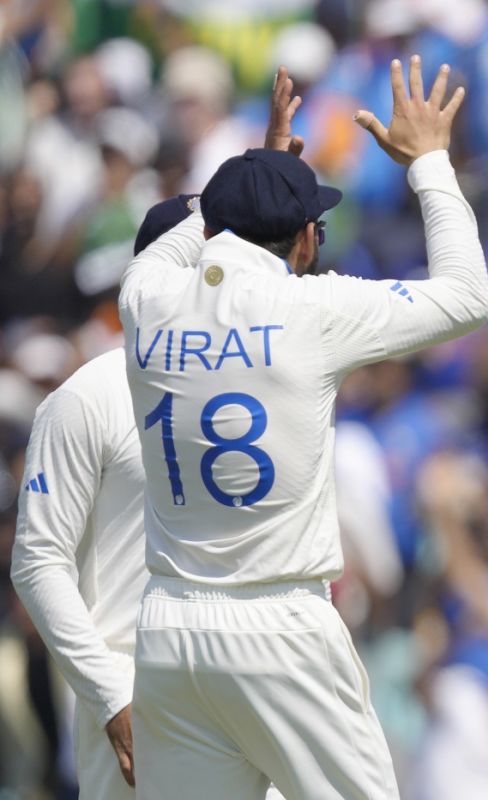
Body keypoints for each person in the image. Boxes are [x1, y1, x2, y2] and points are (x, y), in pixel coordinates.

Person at [117, 55, 488, 799]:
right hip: (279, 625)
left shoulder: (145, 297)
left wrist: (256, 170)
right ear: (307, 241)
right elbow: (467, 296)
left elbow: (199, 228)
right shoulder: (312, 310)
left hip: (165, 631)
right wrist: (431, 165)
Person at [9, 70, 309, 799]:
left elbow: (273, 265)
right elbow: (38, 562)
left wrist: (268, 169)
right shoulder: (85, 397)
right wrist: (112, 699)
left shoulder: (250, 370)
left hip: (245, 681)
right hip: (135, 697)